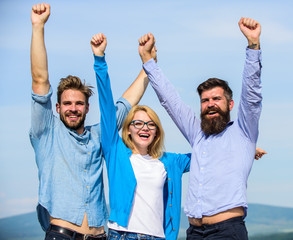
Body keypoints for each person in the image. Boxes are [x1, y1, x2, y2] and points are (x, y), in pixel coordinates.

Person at [30, 3, 149, 240]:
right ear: (57, 107)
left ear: (86, 107)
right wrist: (38, 26)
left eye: (78, 104)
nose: (73, 109)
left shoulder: (98, 135)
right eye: (67, 104)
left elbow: (127, 103)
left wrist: (149, 65)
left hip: (99, 235)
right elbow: (40, 80)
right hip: (62, 234)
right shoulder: (47, 132)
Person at [138, 17, 262, 239]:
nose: (210, 104)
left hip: (227, 231)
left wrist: (253, 46)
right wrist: (148, 60)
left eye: (216, 99)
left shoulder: (244, 131)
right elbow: (171, 101)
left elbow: (252, 95)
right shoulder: (197, 135)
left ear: (230, 104)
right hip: (194, 232)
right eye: (205, 100)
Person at [91, 33, 191, 240]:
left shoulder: (170, 161)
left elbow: (208, 153)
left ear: (156, 132)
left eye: (150, 124)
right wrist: (100, 61)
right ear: (128, 129)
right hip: (122, 235)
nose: (144, 128)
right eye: (138, 123)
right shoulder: (116, 152)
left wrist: (240, 147)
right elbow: (107, 109)